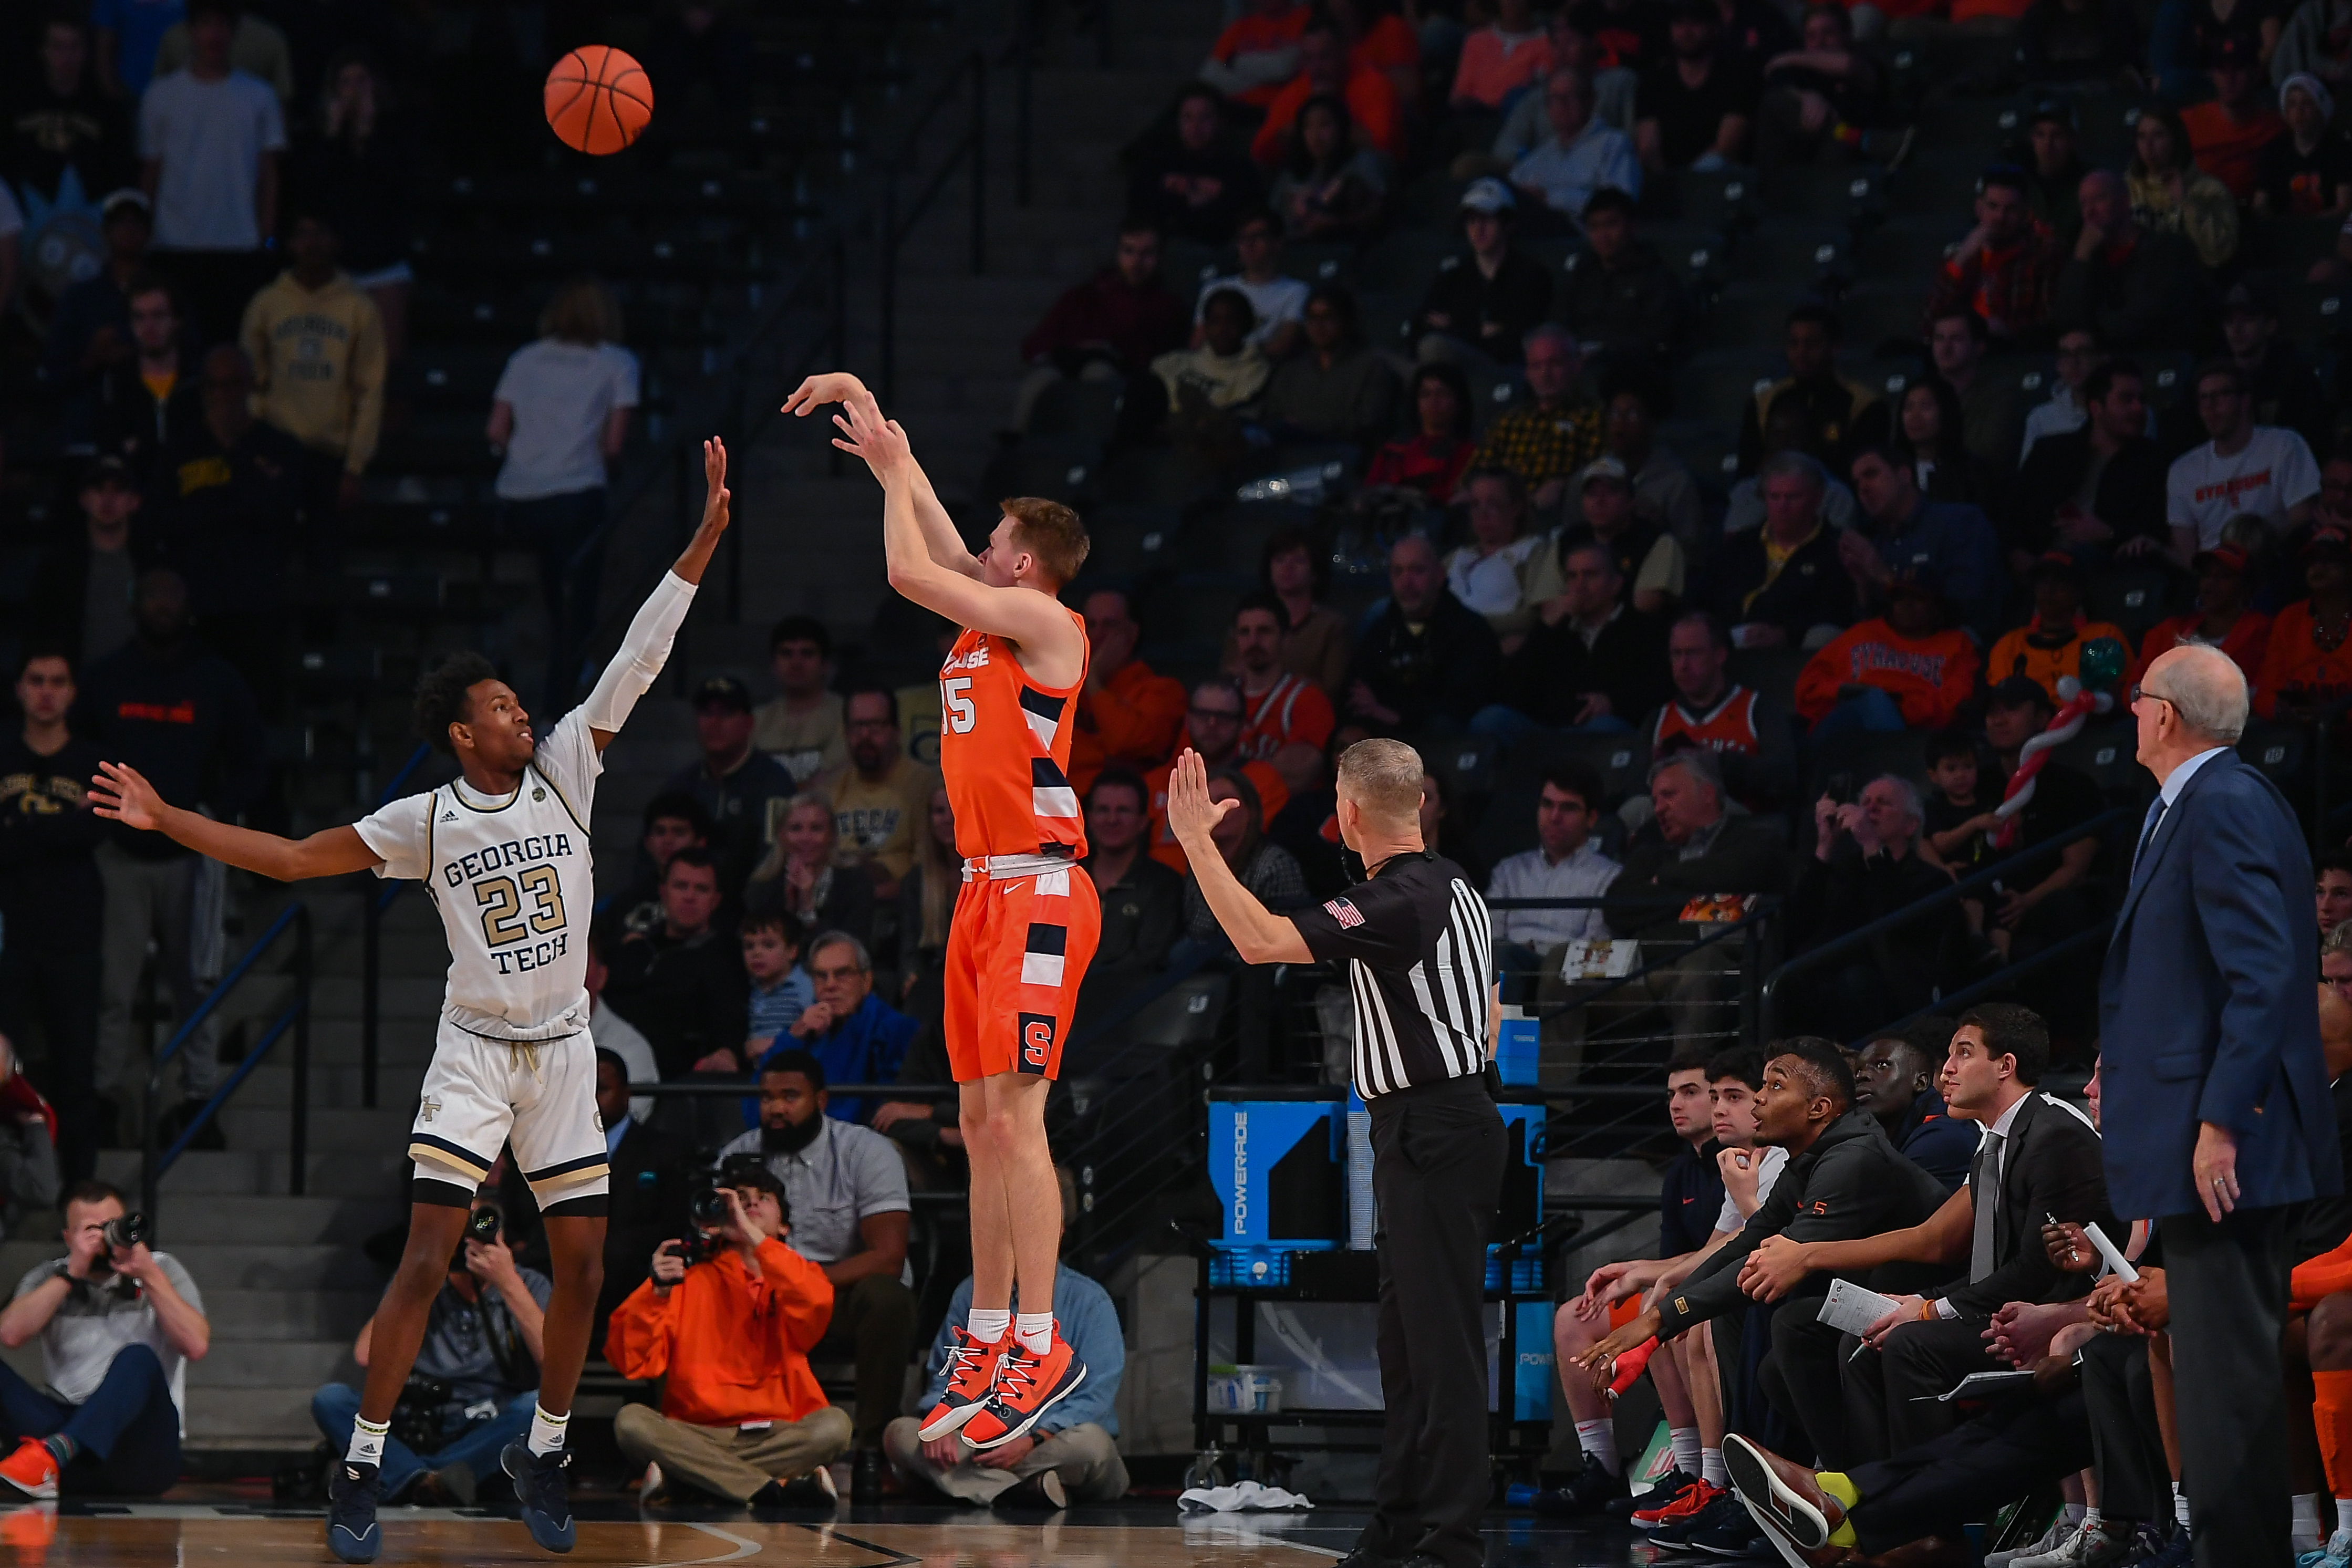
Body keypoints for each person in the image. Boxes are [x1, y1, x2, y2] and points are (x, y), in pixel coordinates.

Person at [88, 440, 734, 1560]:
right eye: (500, 704)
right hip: (477, 1055)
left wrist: (705, 537)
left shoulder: (570, 766)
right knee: (426, 1260)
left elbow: (641, 652)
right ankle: (359, 1464)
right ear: (459, 733)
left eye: (519, 698)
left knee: (582, 1263)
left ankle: (544, 1442)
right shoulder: (425, 819)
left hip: (566, 1054)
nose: (522, 710)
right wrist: (168, 818)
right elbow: (290, 858)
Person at [792, 373, 1100, 1455]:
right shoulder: (993, 610)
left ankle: (1037, 1334)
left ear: (1025, 559)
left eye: (995, 536)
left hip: (1042, 885)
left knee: (1019, 1121)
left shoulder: (1041, 620)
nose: (982, 543)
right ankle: (985, 1333)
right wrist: (888, 432)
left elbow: (905, 565)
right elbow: (934, 532)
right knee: (975, 1126)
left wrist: (883, 473)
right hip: (981, 891)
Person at [1168, 737, 1503, 1568]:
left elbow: (1257, 940)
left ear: (1349, 813)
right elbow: (1488, 1012)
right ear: (1419, 802)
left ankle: (1451, 1543)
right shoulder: (1454, 883)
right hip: (1439, 1120)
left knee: (1443, 1349)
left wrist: (1196, 843)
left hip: (1433, 1125)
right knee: (1408, 1346)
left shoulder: (1402, 899)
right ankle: (1395, 1528)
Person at [2100, 645, 2339, 1566]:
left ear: (2165, 716)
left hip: (2230, 1144)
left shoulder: (2225, 803)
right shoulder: (2195, 804)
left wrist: (2217, 1122)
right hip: (2206, 1140)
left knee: (2226, 1382)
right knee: (2211, 1378)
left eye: (2137, 701)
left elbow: (2264, 975)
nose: (2129, 714)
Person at [1572, 1043, 1951, 1470]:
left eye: (1774, 1086)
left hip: (1928, 1300)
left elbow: (1776, 1262)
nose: (1759, 1098)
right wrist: (1658, 1321)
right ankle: (1816, 1480)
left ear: (1818, 1108)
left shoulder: (1852, 1158)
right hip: (1872, 1295)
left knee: (1786, 1323)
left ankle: (1859, 1485)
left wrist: (1659, 1320)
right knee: (1778, 1357)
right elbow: (1749, 1240)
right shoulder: (1809, 1157)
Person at [79, 569, 264, 1134]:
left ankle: (197, 1098)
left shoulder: (215, 678)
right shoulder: (108, 677)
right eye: (152, 593)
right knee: (112, 985)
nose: (162, 603)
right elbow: (78, 755)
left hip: (192, 851)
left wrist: (220, 814)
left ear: (188, 605)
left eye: (172, 594)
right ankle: (105, 1098)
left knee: (197, 979)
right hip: (120, 854)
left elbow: (252, 757)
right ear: (137, 604)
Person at [606, 1157, 849, 1506]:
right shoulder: (686, 1277)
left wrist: (754, 1237)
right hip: (696, 1433)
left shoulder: (798, 1276)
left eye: (763, 1197)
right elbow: (633, 1361)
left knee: (834, 1426)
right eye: (739, 1197)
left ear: (784, 1227)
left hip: (777, 1429)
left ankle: (688, 1481)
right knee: (631, 1422)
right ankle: (769, 1487)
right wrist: (657, 1290)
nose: (749, 1203)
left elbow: (815, 1303)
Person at [713, 1054, 915, 1466]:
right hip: (757, 1294)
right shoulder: (738, 1154)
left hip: (833, 1293)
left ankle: (872, 1449)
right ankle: (697, 1434)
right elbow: (714, 1243)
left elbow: (888, 1257)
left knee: (887, 1296)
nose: (776, 1108)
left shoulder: (865, 1151)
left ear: (820, 1099)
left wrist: (799, 1279)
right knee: (686, 1293)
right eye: (767, 1097)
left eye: (790, 1096)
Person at [885, 1167, 1127, 1509]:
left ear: (1056, 1227)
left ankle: (974, 1487)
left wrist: (1031, 1439)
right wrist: (937, 1425)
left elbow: (1093, 1398)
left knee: (1093, 1445)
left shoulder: (1089, 1300)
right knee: (900, 1433)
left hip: (1052, 1442)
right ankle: (1026, 1489)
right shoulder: (970, 1292)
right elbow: (946, 1372)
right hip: (978, 1440)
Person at [313, 1198, 546, 1508]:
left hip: (487, 1420)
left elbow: (553, 1360)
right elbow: (366, 1355)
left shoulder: (529, 1283)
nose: (468, 1241)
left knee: (537, 1408)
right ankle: (432, 1480)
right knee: (331, 1399)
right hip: (420, 1418)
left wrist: (508, 1282)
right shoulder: (420, 1279)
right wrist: (420, 1273)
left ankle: (403, 1475)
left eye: (479, 1226)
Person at [488, 276, 640, 710]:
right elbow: (613, 445)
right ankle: (564, 691)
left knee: (552, 593)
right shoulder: (617, 363)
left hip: (519, 497)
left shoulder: (524, 360)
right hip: (575, 495)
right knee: (575, 602)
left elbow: (496, 431)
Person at [0, 1180, 206, 1498]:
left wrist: (147, 1275)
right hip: (64, 1446)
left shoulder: (161, 1269)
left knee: (139, 1357)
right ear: (69, 1237)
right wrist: (72, 1273)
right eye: (90, 1231)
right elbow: (10, 1334)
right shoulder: (50, 1276)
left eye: (111, 1227)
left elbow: (195, 1345)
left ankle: (55, 1452)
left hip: (139, 1452)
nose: (103, 1240)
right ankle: (52, 1455)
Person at [0, 652, 103, 1183]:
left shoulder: (92, 759)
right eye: (35, 681)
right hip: (9, 936)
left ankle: (80, 1198)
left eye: (57, 682)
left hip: (74, 934)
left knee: (75, 1074)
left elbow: (97, 831)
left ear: (72, 692)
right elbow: (72, 831)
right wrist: (62, 827)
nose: (46, 692)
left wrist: (19, 829)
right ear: (18, 689)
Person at [135, 0, 284, 342]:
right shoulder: (161, 95)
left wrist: (268, 238)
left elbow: (270, 175)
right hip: (174, 246)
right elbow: (150, 173)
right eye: (205, 24)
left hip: (239, 247)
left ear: (233, 32)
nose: (213, 34)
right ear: (191, 31)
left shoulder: (259, 96)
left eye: (222, 25)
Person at [1788, 777, 1963, 1041]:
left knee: (1854, 982)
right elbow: (1799, 923)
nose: (1871, 810)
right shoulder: (1848, 870)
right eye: (1866, 802)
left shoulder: (1930, 878)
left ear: (1910, 825)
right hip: (1831, 975)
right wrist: (1825, 846)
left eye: (1884, 804)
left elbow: (1898, 918)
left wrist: (1873, 847)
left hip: (1895, 988)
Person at [239, 207, 382, 508]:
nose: (312, 243)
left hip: (332, 456)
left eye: (321, 233)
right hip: (276, 452)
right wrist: (255, 451)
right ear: (290, 244)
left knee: (325, 552)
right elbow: (251, 383)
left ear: (337, 242)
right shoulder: (267, 303)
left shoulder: (360, 307)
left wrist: (354, 467)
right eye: (303, 234)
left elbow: (370, 391)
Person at [286, 51, 416, 362]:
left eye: (361, 80)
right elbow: (310, 194)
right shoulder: (318, 138)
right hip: (335, 265)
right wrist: (332, 134)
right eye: (346, 82)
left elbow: (397, 187)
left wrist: (368, 131)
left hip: (384, 261)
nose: (354, 90)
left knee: (386, 361)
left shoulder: (396, 132)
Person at [1477, 541, 1669, 740]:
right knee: (1491, 719)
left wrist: (1613, 703)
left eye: (1591, 575)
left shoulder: (1643, 629)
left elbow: (1658, 690)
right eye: (1572, 577)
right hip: (1548, 732)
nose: (1579, 586)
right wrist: (1544, 628)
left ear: (1616, 585)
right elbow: (1512, 692)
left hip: (1603, 731)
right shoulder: (1555, 629)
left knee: (1606, 728)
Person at [1015, 216, 1187, 423]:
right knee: (1041, 380)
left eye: (1147, 254)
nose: (1136, 262)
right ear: (1117, 253)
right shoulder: (1083, 296)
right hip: (1068, 367)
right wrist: (1074, 350)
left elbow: (1162, 359)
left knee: (1098, 375)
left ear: (1160, 257)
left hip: (1125, 380)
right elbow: (1034, 345)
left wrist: (1114, 352)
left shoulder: (1167, 306)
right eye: (1128, 251)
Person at [605, 849, 750, 1078]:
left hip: (681, 1082)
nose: (690, 896)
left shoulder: (728, 960)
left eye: (701, 889)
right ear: (663, 892)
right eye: (681, 886)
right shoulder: (632, 951)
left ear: (716, 901)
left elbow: (729, 1022)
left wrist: (728, 1052)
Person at [2011, 359, 2170, 565]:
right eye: (2127, 399)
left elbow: (2156, 531)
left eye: (2142, 399)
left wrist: (2109, 533)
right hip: (2045, 565)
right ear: (2096, 408)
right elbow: (2016, 517)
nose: (2138, 408)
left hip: (2108, 567)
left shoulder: (2155, 463)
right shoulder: (2050, 453)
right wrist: (2019, 556)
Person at [1345, 533, 1503, 733]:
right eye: (1398, 572)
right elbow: (1358, 688)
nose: (1406, 582)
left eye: (1417, 571)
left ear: (1439, 576)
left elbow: (1463, 704)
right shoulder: (1380, 629)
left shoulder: (1470, 631)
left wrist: (1397, 715)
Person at [1701, 451, 1857, 650]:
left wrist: (1785, 633)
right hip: (1729, 649)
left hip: (1793, 652)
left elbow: (1837, 612)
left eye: (1793, 497)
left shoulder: (1835, 549)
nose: (1783, 506)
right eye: (1775, 497)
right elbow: (1706, 596)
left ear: (1817, 498)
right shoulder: (1739, 546)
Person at [1842, 446, 2004, 639]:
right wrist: (1863, 586)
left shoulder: (1959, 522)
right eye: (1857, 483)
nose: (1863, 488)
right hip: (1892, 658)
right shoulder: (1877, 545)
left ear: (1904, 474)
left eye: (1871, 474)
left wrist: (1885, 577)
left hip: (1955, 652)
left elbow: (1969, 608)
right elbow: (1868, 631)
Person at [2167, 361, 2322, 561]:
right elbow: (2185, 549)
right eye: (2204, 398)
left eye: (2221, 395)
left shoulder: (2285, 445)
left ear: (2245, 401)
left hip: (2272, 563)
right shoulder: (2183, 470)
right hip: (2215, 574)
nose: (2210, 406)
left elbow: (2303, 520)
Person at [664, 675, 797, 902]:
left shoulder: (773, 781)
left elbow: (772, 859)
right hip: (690, 904)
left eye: (725, 714)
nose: (714, 723)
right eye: (707, 714)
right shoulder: (681, 786)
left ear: (749, 723)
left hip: (750, 907)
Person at [1794, 579, 1980, 737]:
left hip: (1915, 734)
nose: (1906, 605)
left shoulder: (1957, 644)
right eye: (1899, 598)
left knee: (1877, 701)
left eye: (1917, 598)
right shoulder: (1863, 633)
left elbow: (1956, 705)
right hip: (1845, 726)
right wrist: (1843, 690)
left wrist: (1898, 706)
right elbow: (1808, 687)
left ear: (1937, 606)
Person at [765, 934, 915, 1127]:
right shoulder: (804, 1028)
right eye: (821, 976)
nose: (830, 985)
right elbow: (764, 1089)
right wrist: (794, 1035)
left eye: (842, 974)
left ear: (866, 980)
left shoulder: (895, 1028)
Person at [1143, 679, 1291, 874]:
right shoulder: (1156, 781)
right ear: (1188, 719)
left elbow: (1255, 850)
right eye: (1203, 715)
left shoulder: (1265, 781)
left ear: (1242, 725)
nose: (1212, 724)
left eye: (1224, 717)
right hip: (1158, 893)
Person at [1650, 610, 1796, 808]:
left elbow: (1783, 775)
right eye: (1677, 654)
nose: (1683, 665)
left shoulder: (1758, 709)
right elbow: (1635, 790)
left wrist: (1717, 763)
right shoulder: (1658, 719)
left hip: (1739, 822)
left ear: (1719, 655)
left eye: (1693, 653)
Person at [1485, 762, 1621, 972]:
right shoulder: (1509, 871)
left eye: (1568, 808)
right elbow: (1490, 937)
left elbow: (1595, 946)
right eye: (1547, 805)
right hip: (1507, 966)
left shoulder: (1609, 876)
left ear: (1592, 819)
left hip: (1562, 974)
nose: (1554, 817)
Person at [592, 1048, 687, 1349]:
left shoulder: (665, 1151)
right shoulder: (543, 1151)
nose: (589, 1101)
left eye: (601, 1090)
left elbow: (672, 1225)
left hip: (633, 1274)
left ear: (626, 1093)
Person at [2053, 169, 2203, 351]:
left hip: (2155, 356)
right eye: (2084, 203)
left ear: (2124, 203)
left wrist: (2096, 336)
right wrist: (2081, 259)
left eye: (2099, 199)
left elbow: (2151, 315)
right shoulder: (2087, 259)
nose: (2090, 211)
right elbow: (2067, 320)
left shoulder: (2167, 249)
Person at [1076, 769, 1184, 1019]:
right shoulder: (1065, 881)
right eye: (1103, 810)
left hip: (1131, 1015)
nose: (1112, 820)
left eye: (1123, 810)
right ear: (1088, 818)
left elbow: (1149, 958)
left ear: (1143, 821)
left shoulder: (1164, 885)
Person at [1415, 180, 1553, 371]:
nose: (1478, 229)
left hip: (1501, 368)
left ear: (1508, 224)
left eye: (1487, 220)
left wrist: (1454, 327)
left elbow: (1516, 340)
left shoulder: (1530, 275)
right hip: (1452, 367)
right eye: (1472, 221)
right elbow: (1423, 325)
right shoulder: (1452, 275)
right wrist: (1480, 331)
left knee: (1435, 348)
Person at [1470, 325, 1604, 510]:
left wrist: (1565, 485)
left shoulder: (1593, 418)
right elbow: (1477, 468)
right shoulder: (1509, 420)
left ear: (1576, 366)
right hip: (1500, 511)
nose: (1545, 374)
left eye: (1555, 364)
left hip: (1554, 512)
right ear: (1527, 373)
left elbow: (1597, 471)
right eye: (1537, 366)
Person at [828, 688, 942, 904]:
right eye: (857, 727)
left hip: (906, 905)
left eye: (876, 726)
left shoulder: (925, 786)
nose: (865, 736)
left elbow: (931, 871)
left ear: (897, 731)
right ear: (845, 733)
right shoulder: (832, 788)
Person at [88, 273, 201, 489]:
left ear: (177, 320)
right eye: (139, 317)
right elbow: (110, 456)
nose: (149, 327)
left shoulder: (199, 382)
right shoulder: (114, 385)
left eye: (158, 316)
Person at [9, 13, 133, 209]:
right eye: (58, 47)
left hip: (90, 226)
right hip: (23, 224)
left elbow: (120, 177)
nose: (66, 57)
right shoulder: (15, 107)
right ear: (43, 51)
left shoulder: (108, 112)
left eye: (74, 47)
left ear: (85, 51)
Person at [1069, 588, 1184, 797]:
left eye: (1109, 625)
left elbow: (1126, 742)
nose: (1099, 635)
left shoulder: (1163, 690)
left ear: (1132, 632)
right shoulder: (1066, 686)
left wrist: (1093, 680)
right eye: (1091, 625)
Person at [1556, 189, 1692, 365]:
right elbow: (1559, 324)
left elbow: (1657, 338)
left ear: (1632, 226)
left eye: (1611, 225)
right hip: (1576, 367)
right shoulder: (1581, 274)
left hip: (1632, 371)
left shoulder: (1656, 277)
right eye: (1594, 227)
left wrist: (1605, 352)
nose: (1602, 236)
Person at [1257, 283, 1399, 449]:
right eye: (1312, 318)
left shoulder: (1371, 367)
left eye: (1328, 318)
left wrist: (1306, 424)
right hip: (1292, 455)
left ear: (1346, 320)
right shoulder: (1292, 370)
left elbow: (1368, 422)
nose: (1319, 326)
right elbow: (1271, 416)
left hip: (1349, 455)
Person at [1248, 20, 1405, 166]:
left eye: (1325, 57)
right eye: (1309, 58)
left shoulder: (1372, 84)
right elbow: (1261, 151)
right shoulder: (1298, 89)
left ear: (1344, 53)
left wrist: (1328, 110)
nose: (1316, 68)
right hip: (1315, 177)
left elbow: (1381, 145)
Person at [1983, 552, 2130, 706]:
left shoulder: (2105, 637)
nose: (2049, 590)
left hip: (2093, 725)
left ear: (2078, 591)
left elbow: (2123, 694)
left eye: (2060, 581)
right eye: (2042, 582)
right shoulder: (2010, 645)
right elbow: (1999, 703)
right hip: (2030, 728)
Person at [1851, 1021, 1981, 1191]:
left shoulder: (1942, 1137)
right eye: (1858, 1071)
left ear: (1920, 1082)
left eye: (1881, 1065)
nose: (1863, 1076)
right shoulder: (1888, 1134)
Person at [1126, 84, 1263, 245]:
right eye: (1187, 118)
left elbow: (1246, 218)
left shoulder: (1239, 171)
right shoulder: (1156, 166)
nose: (1195, 127)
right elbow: (1141, 215)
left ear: (1221, 121)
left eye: (1205, 118)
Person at [1634, 0, 1757, 173]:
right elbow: (1648, 146)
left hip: (1718, 180)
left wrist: (1689, 185)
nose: (1686, 31)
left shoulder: (1736, 77)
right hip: (1667, 183)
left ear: (1714, 28)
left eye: (1696, 23)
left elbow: (1727, 146)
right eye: (1679, 23)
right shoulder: (1653, 81)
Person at [2214, 276, 2332, 454]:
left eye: (2247, 319)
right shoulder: (2215, 379)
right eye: (2229, 321)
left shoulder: (2296, 378)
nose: (2236, 329)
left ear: (2270, 326)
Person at [2129, 541, 2271, 688]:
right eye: (2206, 575)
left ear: (2246, 587)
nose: (2211, 582)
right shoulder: (2168, 631)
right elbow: (2133, 689)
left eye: (2225, 576)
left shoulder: (2264, 633)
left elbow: (2267, 693)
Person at [1510, 65, 1642, 222]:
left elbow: (1621, 204)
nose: (1562, 105)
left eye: (1570, 97)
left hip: (1587, 236)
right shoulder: (1540, 155)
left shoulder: (1613, 144)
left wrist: (1549, 199)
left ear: (1591, 100)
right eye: (1555, 98)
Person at [745, 796, 875, 957]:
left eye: (816, 829)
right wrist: (790, 909)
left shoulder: (855, 882)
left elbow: (850, 952)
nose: (805, 838)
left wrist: (807, 907)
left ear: (832, 836)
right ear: (781, 835)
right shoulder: (762, 886)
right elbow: (760, 952)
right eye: (796, 829)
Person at [1560, 454, 1686, 615]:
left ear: (1631, 501)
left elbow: (1646, 605)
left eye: (1610, 493)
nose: (1599, 501)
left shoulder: (1657, 542)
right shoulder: (1567, 541)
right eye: (1591, 494)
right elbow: (1550, 609)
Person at [1231, 592, 1336, 781]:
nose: (1253, 641)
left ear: (1286, 639)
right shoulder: (1218, 699)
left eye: (1264, 631)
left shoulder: (1309, 700)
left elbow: (1300, 773)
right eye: (1245, 632)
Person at [2127, 98, 2243, 271]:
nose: (2148, 146)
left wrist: (2186, 202)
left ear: (2176, 139)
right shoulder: (2127, 189)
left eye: (2158, 135)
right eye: (2142, 137)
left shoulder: (2210, 190)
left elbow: (2220, 253)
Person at [1444, 468, 1557, 643]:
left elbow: (1535, 615)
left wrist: (1469, 624)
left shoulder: (1532, 551)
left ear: (1516, 508)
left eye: (1493, 504)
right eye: (1475, 505)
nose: (1482, 514)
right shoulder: (1455, 557)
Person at [1238, 527, 1351, 697]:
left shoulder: (1333, 626)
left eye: (1299, 561)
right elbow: (1230, 676)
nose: (1287, 567)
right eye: (1279, 560)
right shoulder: (1248, 619)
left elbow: (1331, 689)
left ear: (1315, 573)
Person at [1265, 96, 1389, 245]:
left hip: (1348, 249)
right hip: (1293, 254)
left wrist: (1335, 223)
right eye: (1308, 126)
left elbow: (1379, 213)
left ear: (1341, 127)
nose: (1315, 135)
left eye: (1325, 125)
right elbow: (1269, 222)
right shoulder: (1291, 175)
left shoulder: (1362, 162)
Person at [2257, 525, 2352, 718]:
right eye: (2313, 561)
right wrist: (2282, 709)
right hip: (2297, 736)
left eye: (2330, 560)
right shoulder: (2289, 619)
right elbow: (2265, 694)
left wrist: (2333, 715)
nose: (2318, 567)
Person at [1193, 209, 1308, 359]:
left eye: (1257, 237)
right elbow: (1197, 344)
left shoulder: (1296, 291)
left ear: (1277, 242)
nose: (1248, 244)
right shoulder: (1215, 289)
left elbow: (1283, 345)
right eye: (1243, 238)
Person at [2185, 33, 2287, 199]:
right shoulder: (2188, 122)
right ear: (2212, 75)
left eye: (2238, 69)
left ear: (2255, 73)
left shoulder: (2275, 127)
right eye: (2222, 70)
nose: (2229, 78)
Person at [752, 616, 847, 787]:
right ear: (773, 664)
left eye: (807, 653)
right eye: (786, 653)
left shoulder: (846, 715)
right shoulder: (756, 721)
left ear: (825, 664)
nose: (796, 663)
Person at [1365, 362, 1477, 506]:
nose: (1433, 402)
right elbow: (1369, 494)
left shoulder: (1469, 453)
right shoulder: (1392, 451)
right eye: (1425, 394)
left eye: (1442, 394)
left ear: (1459, 403)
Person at [2257, 71, 2352, 219]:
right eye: (2293, 104)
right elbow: (2260, 204)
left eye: (2307, 103)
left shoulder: (2340, 150)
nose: (2299, 112)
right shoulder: (2274, 151)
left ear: (2320, 109)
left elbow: (2344, 208)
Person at [1198, 0, 1310, 108]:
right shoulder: (1241, 27)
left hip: (1291, 111)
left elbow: (1284, 67)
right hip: (1235, 110)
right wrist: (1270, 80)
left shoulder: (1308, 18)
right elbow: (1210, 78)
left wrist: (1234, 63)